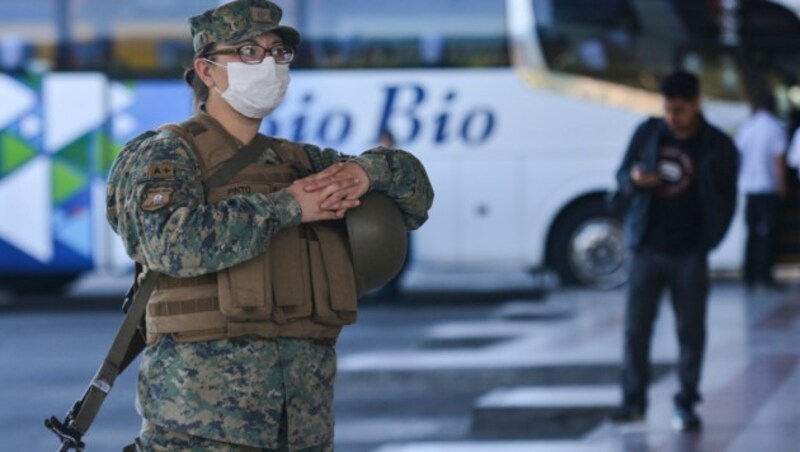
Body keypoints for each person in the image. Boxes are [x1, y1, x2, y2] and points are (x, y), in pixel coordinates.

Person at [105, 1, 434, 450]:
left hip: (301, 428)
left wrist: (367, 172)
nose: (269, 66)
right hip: (199, 429)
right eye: (248, 53)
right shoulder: (166, 154)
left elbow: (414, 193)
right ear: (208, 71)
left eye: (278, 53)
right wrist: (287, 208)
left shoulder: (298, 162)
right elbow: (168, 244)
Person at [609, 71, 738, 431]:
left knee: (691, 332)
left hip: (690, 253)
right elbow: (620, 176)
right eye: (667, 109)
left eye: (679, 110)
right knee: (636, 330)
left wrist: (708, 242)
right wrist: (634, 180)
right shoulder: (649, 133)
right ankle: (633, 402)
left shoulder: (716, 145)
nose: (672, 117)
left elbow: (727, 200)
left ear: (696, 104)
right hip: (646, 248)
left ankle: (686, 402)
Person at [735, 93, 787, 291]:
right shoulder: (775, 128)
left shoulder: (748, 127)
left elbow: (738, 155)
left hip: (749, 188)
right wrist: (781, 184)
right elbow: (778, 159)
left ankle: (749, 276)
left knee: (751, 233)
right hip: (767, 187)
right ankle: (764, 276)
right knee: (768, 233)